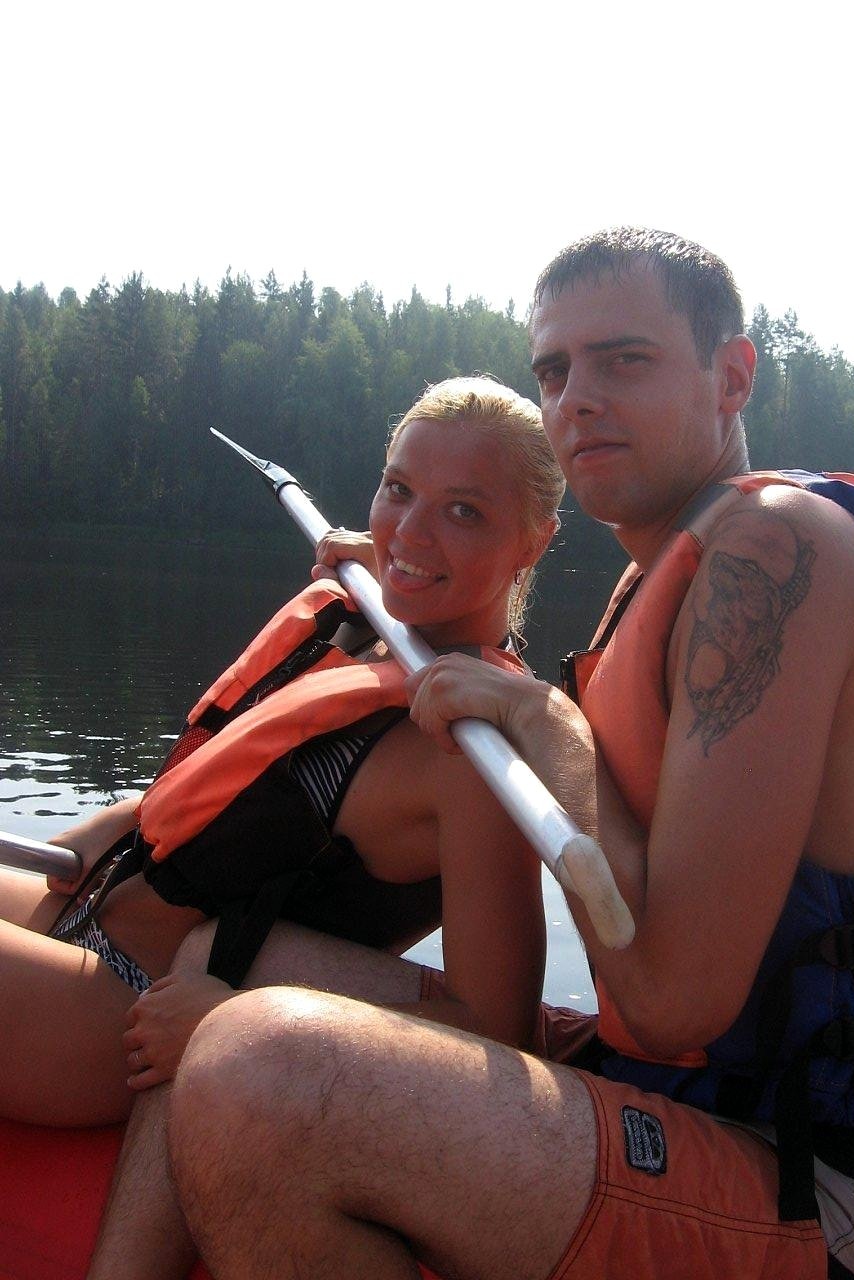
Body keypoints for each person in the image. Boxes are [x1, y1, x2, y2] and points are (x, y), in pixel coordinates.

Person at [164, 228, 854, 1280]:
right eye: (553, 371)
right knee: (224, 955)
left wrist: (548, 720)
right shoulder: (661, 575)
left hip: (815, 1187)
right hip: (685, 1096)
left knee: (256, 1071)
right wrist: (397, 579)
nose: (576, 399)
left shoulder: (773, 552)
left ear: (731, 376)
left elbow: (671, 999)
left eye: (622, 360)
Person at [0, 375, 563, 1144]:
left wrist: (244, 1019)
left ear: (533, 541)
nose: (410, 532)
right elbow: (222, 807)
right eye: (398, 491)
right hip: (87, 900)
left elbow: (496, 1029)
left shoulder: (472, 756)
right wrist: (100, 837)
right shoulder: (368, 630)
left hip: (124, 1014)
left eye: (463, 511)